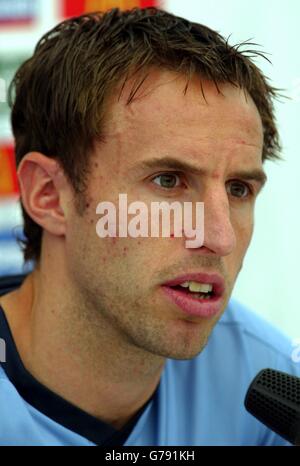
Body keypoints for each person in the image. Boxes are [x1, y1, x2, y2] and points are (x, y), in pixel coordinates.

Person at [0, 7, 299, 446]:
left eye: (238, 189)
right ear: (49, 195)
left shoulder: (267, 382)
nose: (219, 237)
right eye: (168, 181)